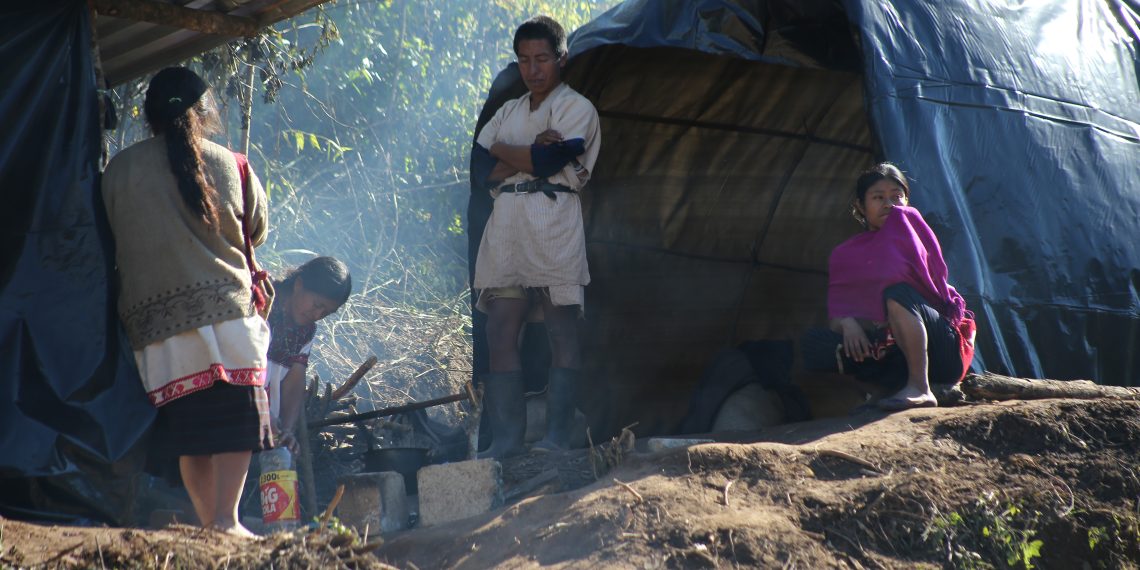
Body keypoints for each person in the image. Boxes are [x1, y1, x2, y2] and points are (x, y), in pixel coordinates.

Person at [101, 67, 270, 536]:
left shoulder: (117, 172)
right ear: (202, 112)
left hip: (154, 325)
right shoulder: (231, 163)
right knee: (236, 421)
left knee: (189, 427)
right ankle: (228, 521)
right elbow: (256, 230)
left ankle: (207, 522)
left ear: (149, 116)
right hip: (228, 315)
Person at [471, 15, 602, 458]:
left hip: (552, 219)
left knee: (560, 326)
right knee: (500, 328)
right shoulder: (508, 110)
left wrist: (513, 154)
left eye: (543, 58)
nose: (533, 68)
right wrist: (532, 152)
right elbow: (484, 170)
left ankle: (557, 437)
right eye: (524, 59)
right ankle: (506, 443)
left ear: (561, 58)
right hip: (506, 223)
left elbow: (547, 166)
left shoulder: (577, 108)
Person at [802, 163, 976, 411]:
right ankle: (880, 390)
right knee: (814, 343)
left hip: (940, 350)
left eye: (897, 196)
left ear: (907, 200)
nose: (889, 204)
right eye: (878, 197)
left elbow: (914, 286)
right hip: (888, 351)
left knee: (897, 293)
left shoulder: (910, 231)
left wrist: (902, 221)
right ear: (860, 206)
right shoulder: (845, 254)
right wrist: (848, 323)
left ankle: (920, 386)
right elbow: (838, 313)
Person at [264, 256, 352, 452]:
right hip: (234, 408)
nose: (318, 315)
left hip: (265, 426)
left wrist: (286, 429)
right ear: (298, 284)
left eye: (327, 312)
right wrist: (261, 412)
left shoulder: (307, 332)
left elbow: (294, 382)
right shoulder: (263, 299)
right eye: (317, 304)